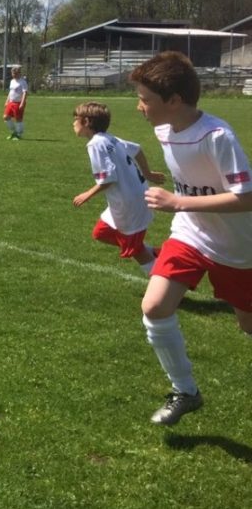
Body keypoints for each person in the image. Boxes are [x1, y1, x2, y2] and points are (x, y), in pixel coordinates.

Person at [128, 51, 252, 425]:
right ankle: (185, 391)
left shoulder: (217, 136)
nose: (140, 107)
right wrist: (183, 207)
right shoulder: (163, 129)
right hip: (190, 235)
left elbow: (246, 197)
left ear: (175, 101)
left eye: (146, 100)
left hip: (238, 247)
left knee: (247, 325)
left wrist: (181, 200)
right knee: (154, 307)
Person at [71, 101, 164, 275]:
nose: (73, 123)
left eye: (75, 119)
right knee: (101, 232)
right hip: (134, 196)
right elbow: (136, 149)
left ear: (86, 122)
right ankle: (153, 253)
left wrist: (87, 194)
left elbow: (108, 178)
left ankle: (165, 280)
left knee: (135, 250)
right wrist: (148, 174)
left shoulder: (95, 144)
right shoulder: (110, 138)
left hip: (128, 202)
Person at [3, 66, 28, 140]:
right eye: (12, 73)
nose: (13, 74)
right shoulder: (12, 81)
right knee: (5, 117)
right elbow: (11, 92)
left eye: (15, 73)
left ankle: (19, 134)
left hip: (18, 103)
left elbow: (25, 93)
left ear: (19, 73)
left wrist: (22, 103)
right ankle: (14, 132)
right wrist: (7, 100)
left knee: (18, 119)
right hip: (11, 102)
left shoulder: (22, 82)